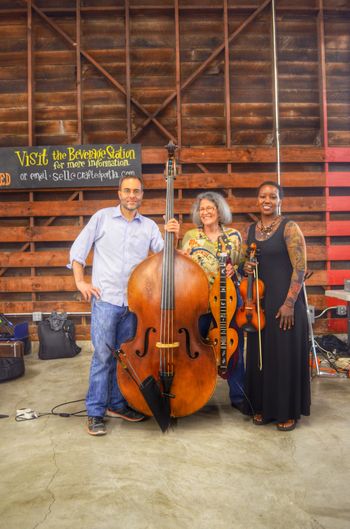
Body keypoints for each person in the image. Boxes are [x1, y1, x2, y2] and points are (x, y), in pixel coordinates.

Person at [68, 175, 179, 436]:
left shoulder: (150, 226)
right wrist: (80, 282)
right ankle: (95, 411)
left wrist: (173, 235)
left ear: (142, 195)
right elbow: (78, 250)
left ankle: (117, 405)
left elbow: (166, 257)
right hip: (106, 301)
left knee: (124, 358)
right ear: (119, 193)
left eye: (136, 191)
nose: (132, 195)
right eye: (127, 191)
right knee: (103, 357)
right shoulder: (102, 218)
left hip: (133, 304)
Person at [242, 180, 310, 431]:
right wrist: (245, 267)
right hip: (260, 305)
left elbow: (300, 267)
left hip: (285, 304)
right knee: (262, 357)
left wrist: (290, 303)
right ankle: (262, 406)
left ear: (280, 200)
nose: (267, 200)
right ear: (257, 200)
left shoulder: (289, 228)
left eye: (272, 196)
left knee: (283, 358)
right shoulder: (250, 229)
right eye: (262, 196)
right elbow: (243, 266)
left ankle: (286, 411)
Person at [181, 191, 245, 410]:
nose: (206, 212)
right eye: (202, 209)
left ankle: (239, 396)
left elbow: (243, 268)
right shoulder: (190, 237)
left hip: (227, 300)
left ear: (219, 211)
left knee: (233, 346)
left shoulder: (235, 236)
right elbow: (183, 268)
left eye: (210, 208)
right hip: (198, 302)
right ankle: (195, 394)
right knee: (195, 348)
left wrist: (233, 270)